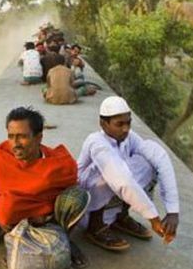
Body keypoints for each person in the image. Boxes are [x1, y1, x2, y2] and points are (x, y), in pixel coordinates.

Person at [0, 107, 89, 267]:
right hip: (17, 217)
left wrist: (43, 214)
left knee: (78, 197)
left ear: (39, 137)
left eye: (22, 137)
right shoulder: (1, 155)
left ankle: (64, 239)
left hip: (48, 218)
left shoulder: (59, 163)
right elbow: (0, 191)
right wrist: (33, 213)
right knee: (2, 205)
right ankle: (14, 240)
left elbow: (68, 189)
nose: (15, 144)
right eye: (11, 137)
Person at [77, 96, 179, 251]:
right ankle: (95, 226)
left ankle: (120, 216)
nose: (125, 129)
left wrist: (173, 211)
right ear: (103, 124)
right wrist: (153, 217)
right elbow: (122, 180)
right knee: (109, 172)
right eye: (119, 124)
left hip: (113, 191)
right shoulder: (97, 143)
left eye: (128, 123)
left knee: (147, 163)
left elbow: (160, 158)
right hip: (85, 202)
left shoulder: (128, 137)